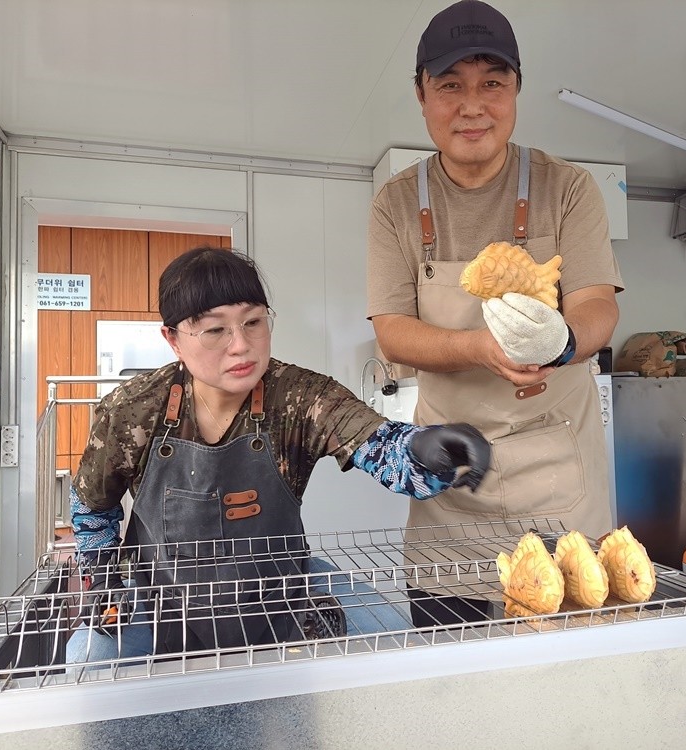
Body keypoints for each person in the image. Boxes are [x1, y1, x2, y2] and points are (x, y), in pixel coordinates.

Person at [66, 246, 490, 661]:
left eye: (253, 322)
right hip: (159, 595)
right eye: (215, 330)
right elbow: (91, 506)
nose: (240, 345)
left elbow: (379, 445)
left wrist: (423, 446)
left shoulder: (300, 396)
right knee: (85, 658)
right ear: (173, 339)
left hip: (281, 589)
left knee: (395, 638)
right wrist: (103, 576)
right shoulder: (134, 408)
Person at [366, 0, 624, 626]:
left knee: (564, 673)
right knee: (454, 674)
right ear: (422, 94)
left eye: (492, 83)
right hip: (452, 484)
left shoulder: (569, 189)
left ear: (516, 90)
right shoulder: (395, 206)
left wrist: (561, 344)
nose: (471, 105)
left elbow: (595, 305)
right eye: (450, 85)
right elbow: (393, 333)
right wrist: (481, 348)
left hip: (560, 483)